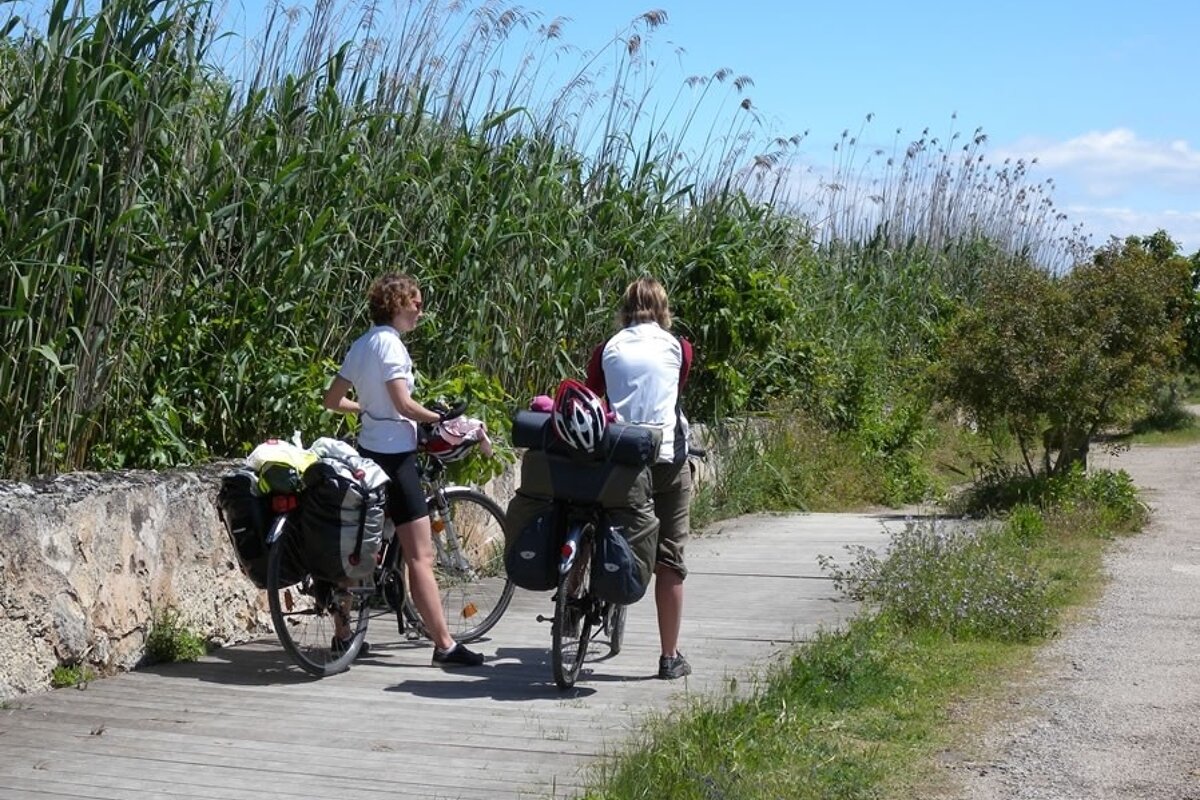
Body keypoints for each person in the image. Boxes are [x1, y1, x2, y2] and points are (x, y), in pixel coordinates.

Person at [322, 273, 484, 667]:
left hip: (367, 454)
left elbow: (331, 400)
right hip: (397, 458)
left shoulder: (361, 345)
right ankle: (444, 645)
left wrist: (364, 410)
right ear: (396, 304)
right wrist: (438, 418)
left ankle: (343, 635)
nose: (420, 311)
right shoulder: (391, 347)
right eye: (416, 303)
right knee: (421, 557)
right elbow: (403, 404)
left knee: (361, 547)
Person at [586, 276, 694, 680]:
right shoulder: (679, 348)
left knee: (598, 523)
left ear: (625, 310)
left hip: (620, 458)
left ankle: (574, 595)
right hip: (666, 458)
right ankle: (669, 658)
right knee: (669, 558)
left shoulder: (607, 349)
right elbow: (674, 392)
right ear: (663, 309)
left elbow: (594, 394)